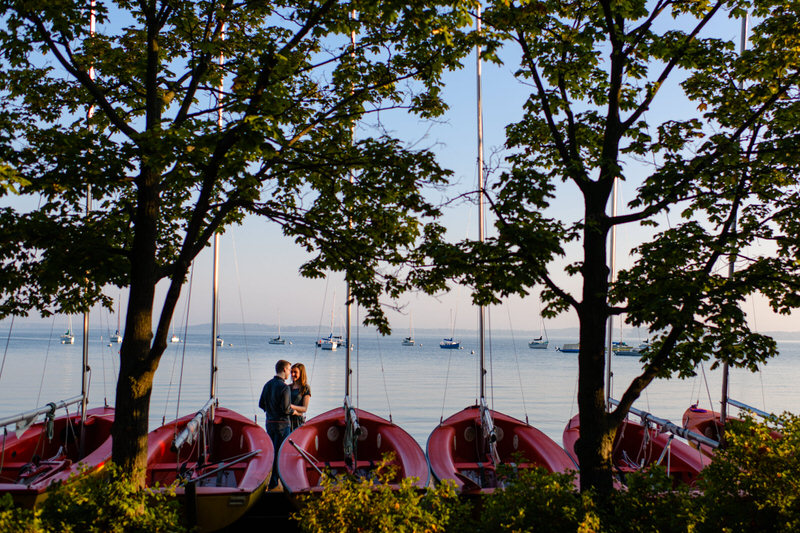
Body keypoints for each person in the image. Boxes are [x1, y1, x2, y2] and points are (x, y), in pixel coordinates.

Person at [259, 359, 292, 490]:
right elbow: (286, 409)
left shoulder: (267, 385)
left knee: (272, 453)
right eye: (289, 369)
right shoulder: (285, 387)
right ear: (284, 370)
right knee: (282, 454)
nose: (289, 373)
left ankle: (272, 480)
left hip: (269, 423)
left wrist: (270, 410)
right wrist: (294, 411)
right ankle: (276, 481)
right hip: (283, 425)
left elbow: (261, 404)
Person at [289, 363, 311, 431]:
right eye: (291, 372)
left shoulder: (305, 388)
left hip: (298, 421)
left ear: (301, 373)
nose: (292, 374)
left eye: (295, 372)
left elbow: (304, 409)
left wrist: (290, 406)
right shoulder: (288, 387)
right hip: (286, 421)